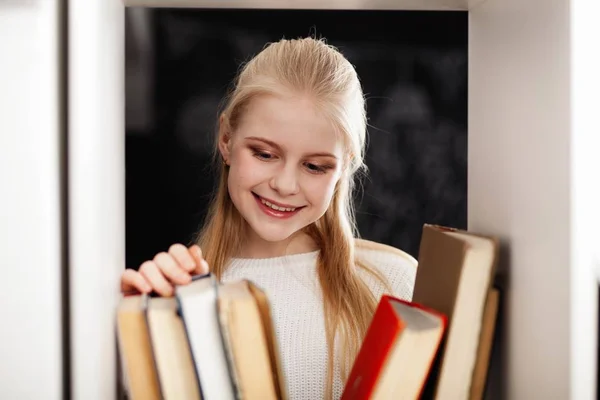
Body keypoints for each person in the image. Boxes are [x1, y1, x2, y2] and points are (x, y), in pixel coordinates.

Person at [120, 37, 417, 400]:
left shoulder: (396, 284)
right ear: (226, 139)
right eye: (264, 154)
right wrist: (138, 329)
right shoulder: (177, 293)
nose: (285, 184)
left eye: (314, 166)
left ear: (345, 167)